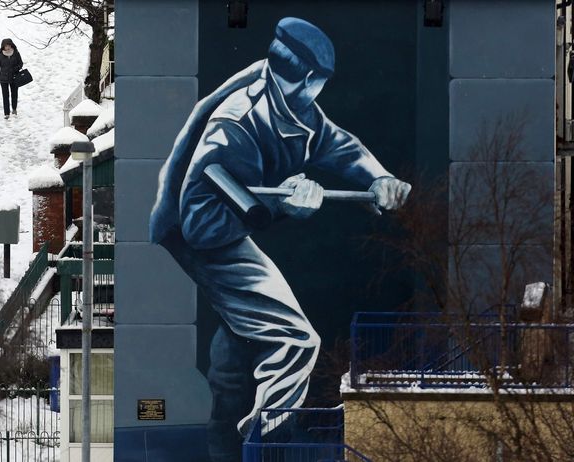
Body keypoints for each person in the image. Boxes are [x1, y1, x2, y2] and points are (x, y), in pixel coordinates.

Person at [149, 17, 411, 462]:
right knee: (295, 339)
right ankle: (265, 440)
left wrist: (378, 178)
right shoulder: (236, 125)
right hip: (198, 235)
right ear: (311, 80)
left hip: (218, 223)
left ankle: (230, 439)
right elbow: (201, 225)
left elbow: (335, 144)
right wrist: (279, 207)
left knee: (242, 336)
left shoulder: (287, 98)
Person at [0, 38, 23, 120]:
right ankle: (6, 113)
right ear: (3, 47)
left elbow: (21, 63)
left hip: (14, 77)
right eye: (5, 46)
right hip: (3, 79)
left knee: (14, 94)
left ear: (11, 45)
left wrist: (16, 68)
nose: (7, 48)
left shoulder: (16, 53)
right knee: (5, 96)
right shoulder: (0, 55)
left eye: (8, 45)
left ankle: (14, 109)